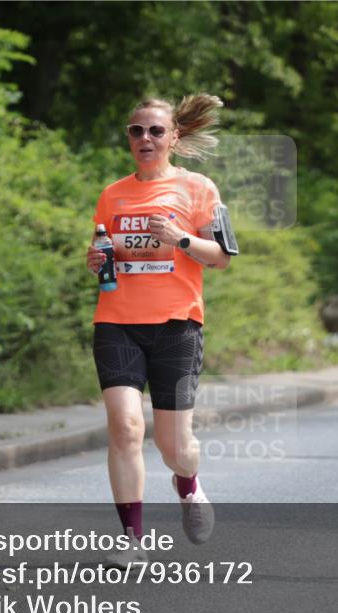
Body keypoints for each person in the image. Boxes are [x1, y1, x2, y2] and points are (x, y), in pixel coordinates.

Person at [85, 94, 234, 567]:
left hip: (176, 325)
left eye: (154, 131)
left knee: (176, 448)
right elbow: (104, 248)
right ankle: (132, 540)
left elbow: (223, 257)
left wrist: (182, 239)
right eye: (136, 131)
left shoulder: (199, 188)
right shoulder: (112, 194)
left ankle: (187, 484)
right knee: (126, 428)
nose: (144, 139)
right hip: (117, 322)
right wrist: (95, 259)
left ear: (173, 137)